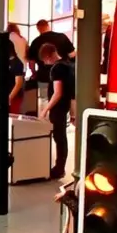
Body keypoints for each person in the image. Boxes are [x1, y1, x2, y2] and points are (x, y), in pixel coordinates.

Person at [36, 42, 76, 178]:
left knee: (59, 138)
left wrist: (45, 109)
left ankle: (59, 169)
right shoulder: (68, 65)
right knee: (61, 138)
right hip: (65, 106)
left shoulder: (56, 69)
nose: (45, 63)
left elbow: (57, 92)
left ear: (48, 56)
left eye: (45, 60)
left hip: (57, 108)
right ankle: (60, 167)